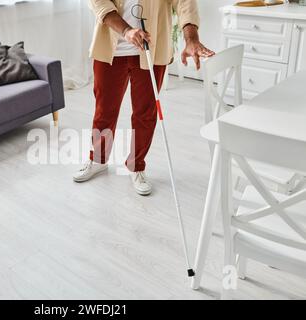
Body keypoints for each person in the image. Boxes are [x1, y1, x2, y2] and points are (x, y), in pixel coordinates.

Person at [73, 0, 214, 196]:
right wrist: (127, 31)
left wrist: (191, 38)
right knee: (104, 109)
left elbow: (185, 2)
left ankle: (136, 166)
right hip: (111, 48)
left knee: (145, 113)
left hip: (152, 48)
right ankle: (98, 159)